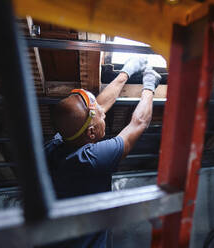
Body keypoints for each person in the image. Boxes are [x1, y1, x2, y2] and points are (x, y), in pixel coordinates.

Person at [42, 57, 162, 248]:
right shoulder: (92, 160)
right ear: (91, 132)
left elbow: (94, 112)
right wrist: (149, 84)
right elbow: (139, 123)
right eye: (100, 113)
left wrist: (125, 73)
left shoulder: (57, 143)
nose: (103, 112)